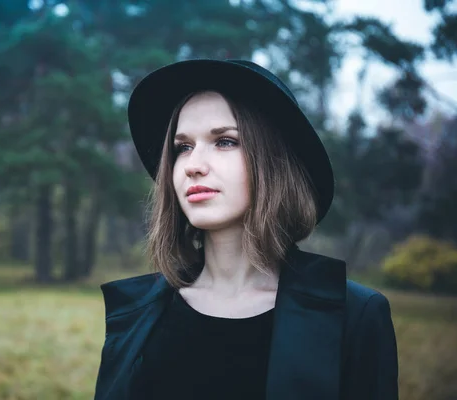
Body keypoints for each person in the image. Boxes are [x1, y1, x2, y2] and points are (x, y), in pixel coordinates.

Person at [93, 59, 399, 400]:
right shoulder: (138, 316)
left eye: (224, 141)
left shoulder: (354, 316)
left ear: (274, 162)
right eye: (183, 147)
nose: (193, 166)